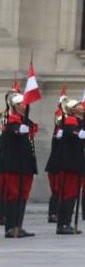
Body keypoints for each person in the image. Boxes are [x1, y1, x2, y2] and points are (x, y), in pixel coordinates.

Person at [2, 91, 38, 238]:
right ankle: (10, 228)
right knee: (13, 196)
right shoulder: (11, 121)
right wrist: (18, 129)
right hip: (14, 166)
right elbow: (12, 130)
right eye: (21, 104)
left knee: (23, 196)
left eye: (25, 104)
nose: (24, 106)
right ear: (15, 106)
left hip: (25, 165)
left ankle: (18, 226)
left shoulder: (25, 122)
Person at [55, 100, 85, 235]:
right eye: (78, 105)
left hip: (75, 164)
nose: (82, 107)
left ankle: (66, 223)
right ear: (72, 109)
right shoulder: (71, 121)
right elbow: (71, 132)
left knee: (72, 194)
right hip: (70, 164)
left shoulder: (79, 122)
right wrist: (78, 134)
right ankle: (63, 224)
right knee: (68, 194)